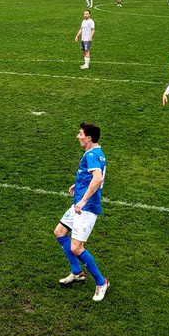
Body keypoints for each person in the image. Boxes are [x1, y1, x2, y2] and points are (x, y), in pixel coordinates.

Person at [53, 122, 109, 302]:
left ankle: (101, 282)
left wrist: (83, 200)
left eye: (80, 134)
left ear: (88, 138)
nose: (78, 136)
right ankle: (77, 272)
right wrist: (78, 185)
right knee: (59, 232)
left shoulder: (92, 154)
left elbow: (98, 178)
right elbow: (91, 176)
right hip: (79, 204)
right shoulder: (96, 153)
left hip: (85, 208)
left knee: (76, 247)